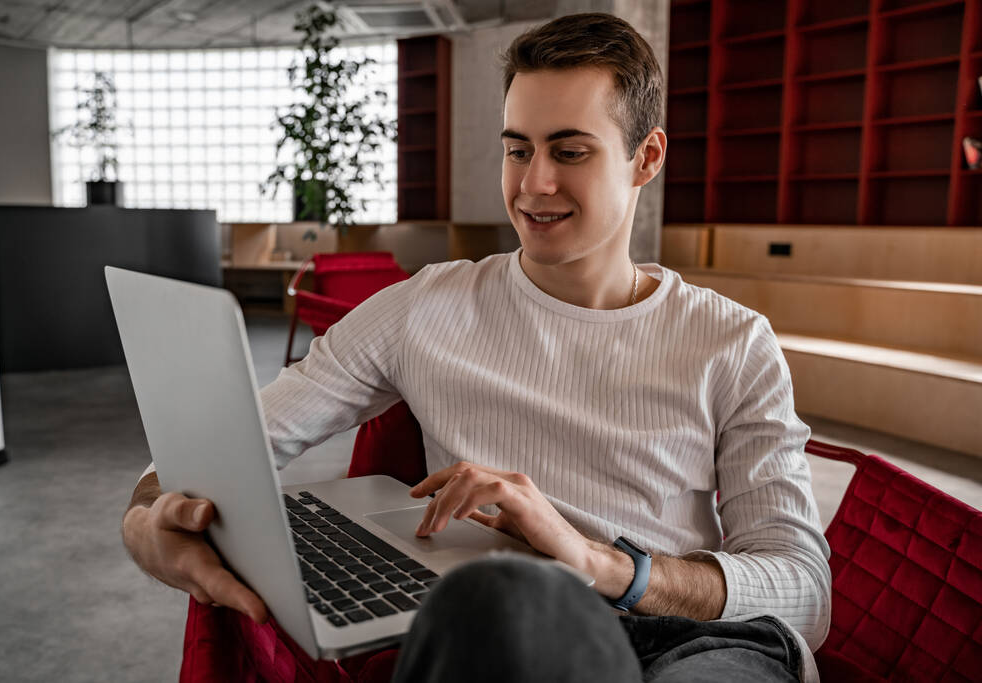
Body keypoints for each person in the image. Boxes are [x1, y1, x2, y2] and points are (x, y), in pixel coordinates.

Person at [122, 12, 830, 682]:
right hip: (508, 621)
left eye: (570, 151)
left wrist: (600, 561)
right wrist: (144, 516)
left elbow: (804, 590)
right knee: (489, 608)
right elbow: (228, 446)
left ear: (646, 157)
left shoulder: (733, 342)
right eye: (518, 149)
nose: (534, 184)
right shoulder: (427, 306)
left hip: (698, 639)